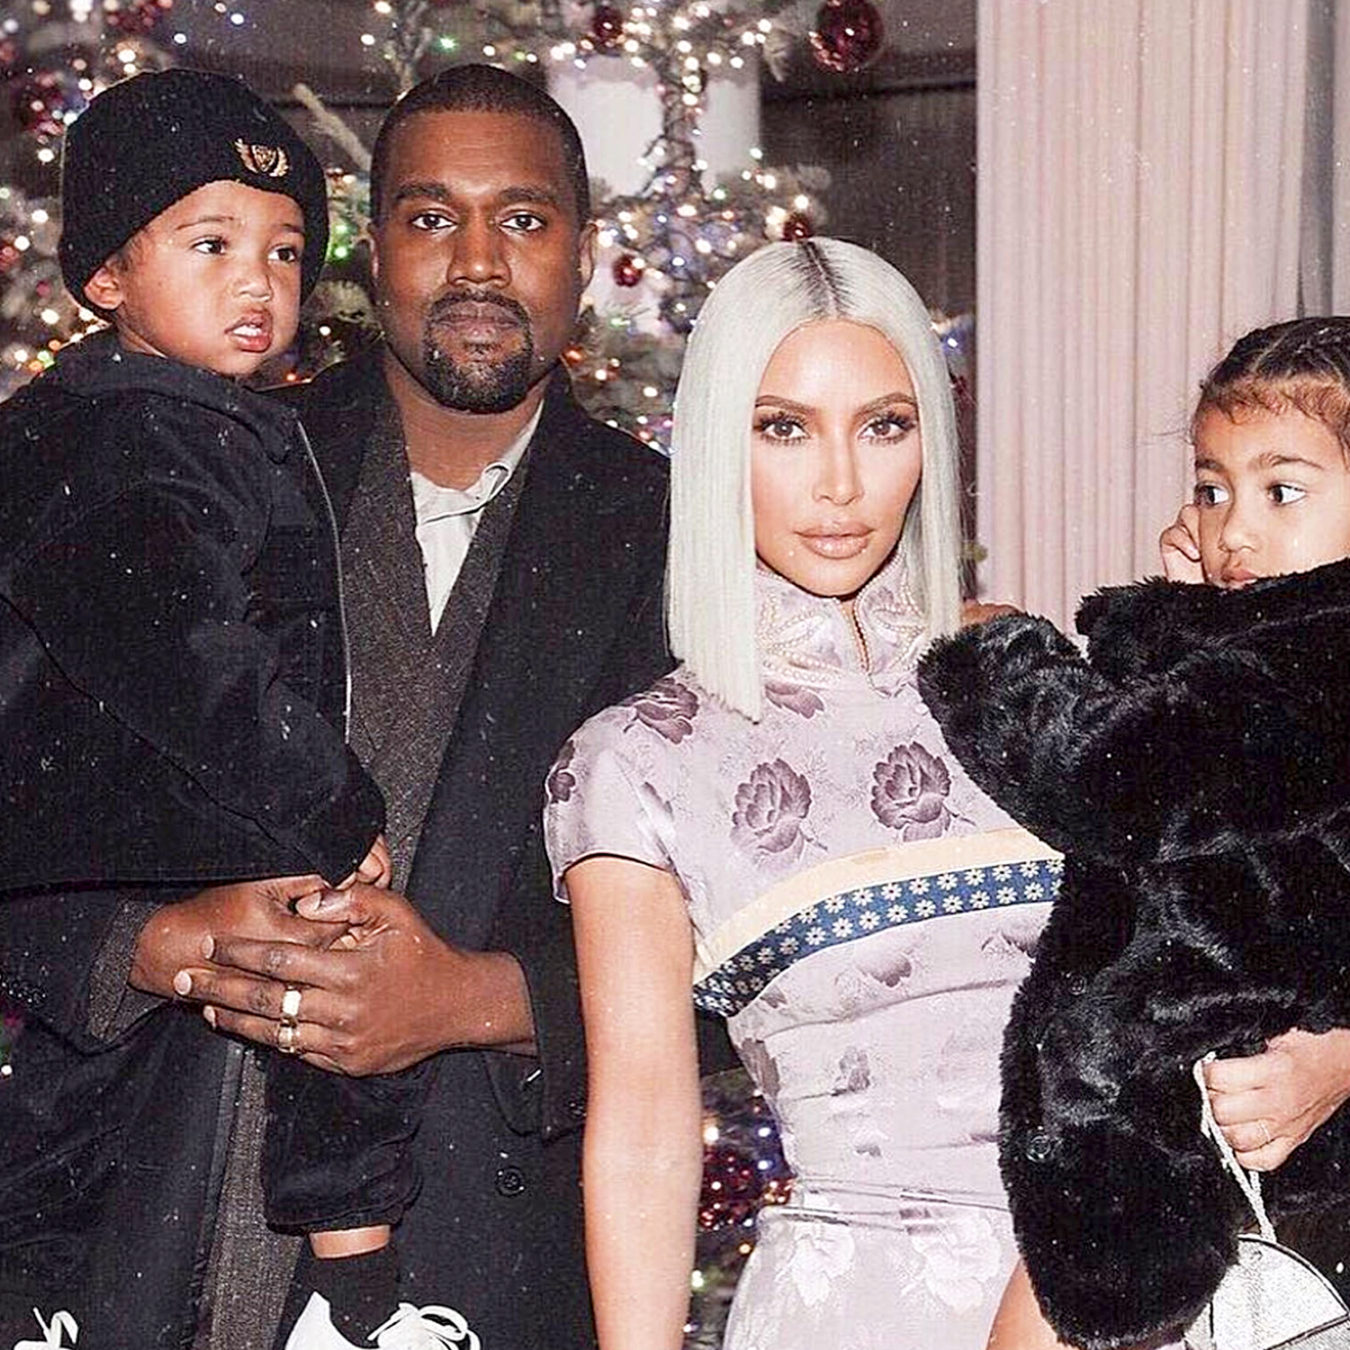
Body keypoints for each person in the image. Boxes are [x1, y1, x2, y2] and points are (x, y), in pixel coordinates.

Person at [153, 64, 686, 1349]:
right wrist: (163, 941)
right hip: (160, 1218)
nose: (479, 264)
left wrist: (482, 999)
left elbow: (774, 943)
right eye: (433, 217)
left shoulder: (685, 540)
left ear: (584, 254)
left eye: (524, 219)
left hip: (490, 1266)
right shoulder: (201, 476)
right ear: (372, 251)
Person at [543, 236, 1062, 1350]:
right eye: (784, 428)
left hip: (1129, 1293)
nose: (840, 485)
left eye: (884, 425)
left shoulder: (1025, 677)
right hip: (860, 1315)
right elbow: (643, 1133)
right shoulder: (637, 762)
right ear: (713, 445)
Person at [0, 68, 399, 1348]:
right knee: (323, 955)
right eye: (211, 244)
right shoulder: (133, 433)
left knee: (97, 1093)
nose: (259, 283)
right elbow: (173, 647)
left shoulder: (182, 415)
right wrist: (328, 799)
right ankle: (358, 1295)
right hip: (144, 807)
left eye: (285, 251)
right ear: (106, 276)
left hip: (149, 809)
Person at [917, 316, 1350, 1350]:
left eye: (1283, 491)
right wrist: (1177, 622)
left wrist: (994, 655)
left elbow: (1108, 781)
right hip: (1207, 1142)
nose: (1233, 529)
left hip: (1270, 1159)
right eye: (1212, 488)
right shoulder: (1270, 643)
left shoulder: (1324, 651)